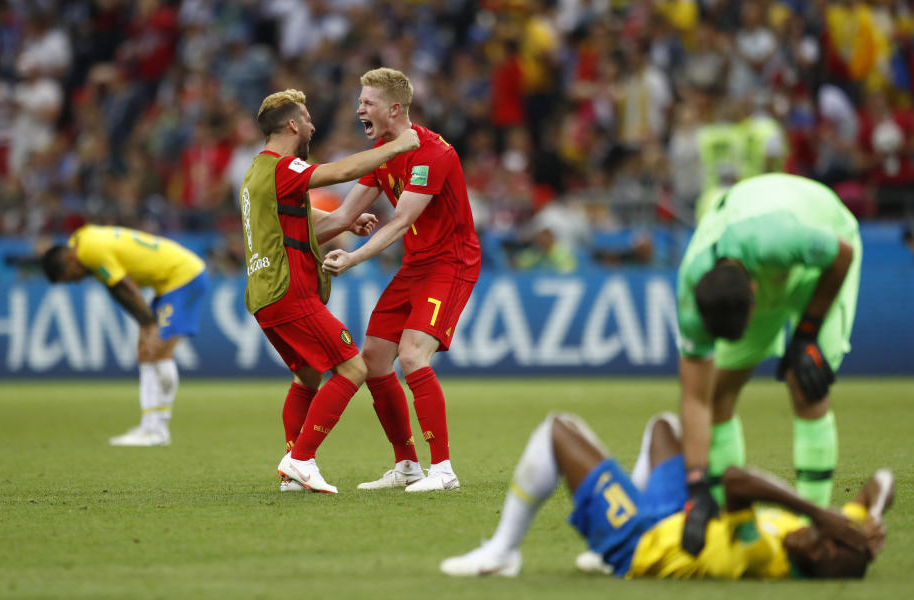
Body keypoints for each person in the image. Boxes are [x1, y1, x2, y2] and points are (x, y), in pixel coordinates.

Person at [440, 411, 893, 579]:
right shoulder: (808, 536)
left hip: (641, 543)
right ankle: (612, 526)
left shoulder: (762, 556)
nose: (811, 534)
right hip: (679, 518)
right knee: (667, 427)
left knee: (557, 430)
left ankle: (502, 552)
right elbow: (883, 481)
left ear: (818, 562)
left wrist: (820, 513)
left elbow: (736, 481)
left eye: (819, 543)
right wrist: (868, 515)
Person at [239, 89, 420, 494]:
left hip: (264, 295)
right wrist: (397, 146)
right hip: (291, 291)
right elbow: (339, 172)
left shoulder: (255, 174)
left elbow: (295, 220)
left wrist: (344, 222)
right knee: (353, 368)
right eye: (306, 118)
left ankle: (293, 473)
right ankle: (301, 459)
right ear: (292, 125)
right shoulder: (284, 167)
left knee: (306, 376)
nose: (312, 126)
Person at [675, 173, 862, 555]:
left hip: (824, 243)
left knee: (806, 382)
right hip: (760, 253)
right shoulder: (691, 301)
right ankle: (733, 524)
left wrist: (807, 333)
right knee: (719, 391)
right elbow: (696, 399)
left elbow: (842, 255)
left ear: (755, 295)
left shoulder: (778, 238)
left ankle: (814, 526)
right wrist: (696, 485)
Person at [321, 68, 482, 492]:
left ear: (394, 108)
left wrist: (353, 258)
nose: (359, 108)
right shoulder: (382, 152)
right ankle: (407, 465)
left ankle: (443, 469)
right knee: (374, 357)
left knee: (412, 356)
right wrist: (281, 241)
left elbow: (401, 221)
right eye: (359, 101)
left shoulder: (433, 153)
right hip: (416, 265)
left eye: (367, 102)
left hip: (451, 263)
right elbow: (341, 216)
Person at [41, 225, 210, 446]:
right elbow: (116, 289)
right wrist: (146, 323)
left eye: (69, 277)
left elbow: (127, 288)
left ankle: (158, 430)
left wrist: (149, 324)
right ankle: (149, 426)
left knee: (158, 350)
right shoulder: (81, 240)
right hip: (168, 283)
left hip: (184, 277)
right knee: (145, 352)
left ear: (70, 260)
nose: (76, 281)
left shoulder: (90, 251)